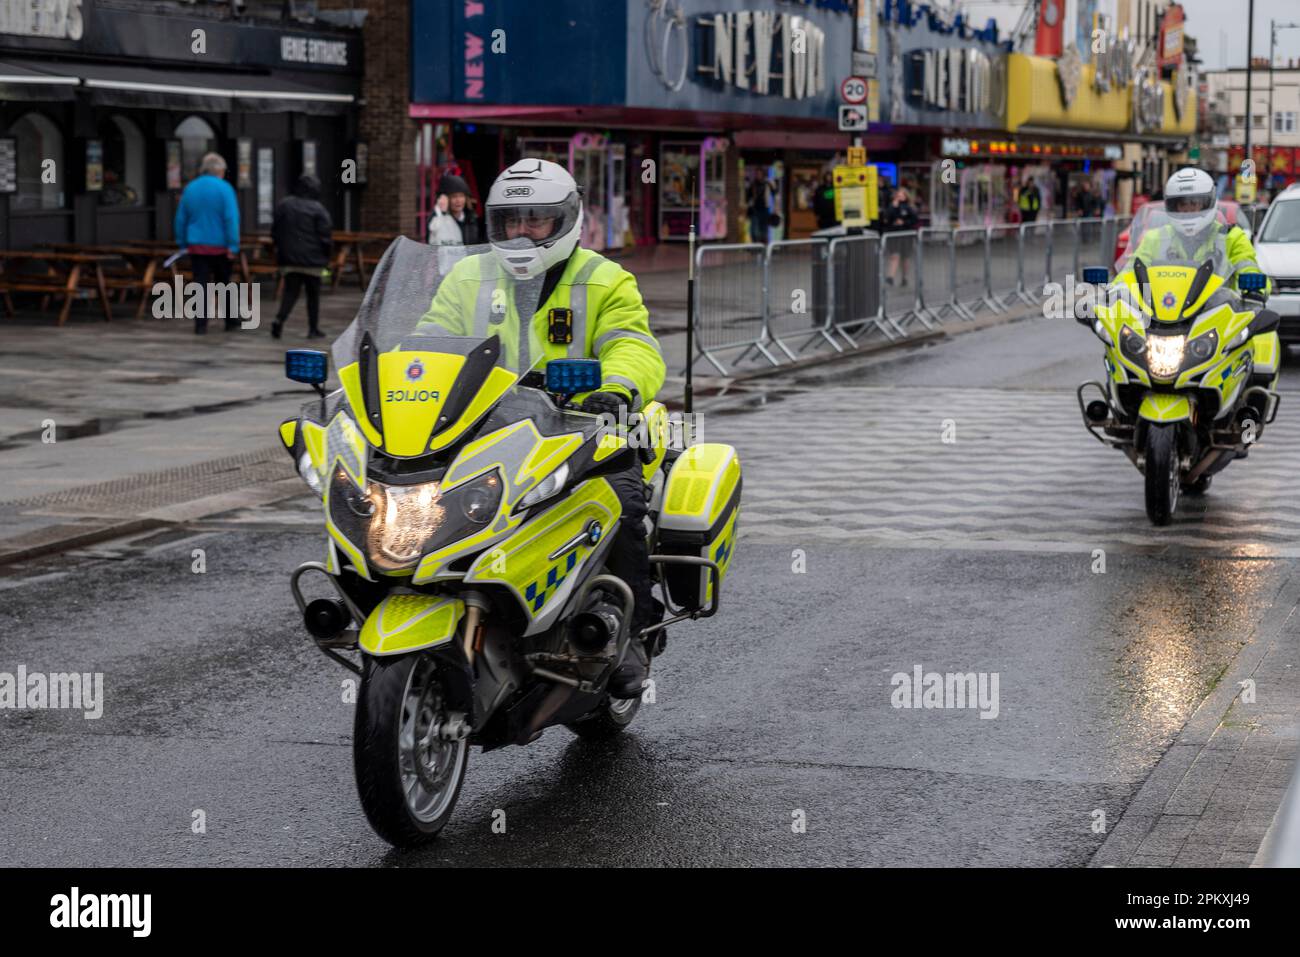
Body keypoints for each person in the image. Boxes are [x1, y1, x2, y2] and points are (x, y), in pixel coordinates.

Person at [418, 158, 665, 699]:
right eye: (511, 221)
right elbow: (429, 339)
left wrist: (618, 386)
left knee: (621, 499)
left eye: (537, 220)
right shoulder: (468, 275)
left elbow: (634, 343)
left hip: (581, 425)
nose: (522, 232)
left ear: (566, 219)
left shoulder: (603, 278)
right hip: (484, 424)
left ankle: (633, 637)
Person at [1132, 167, 1269, 297]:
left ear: (1208, 203)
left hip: (1218, 314)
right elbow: (1131, 270)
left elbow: (1249, 269)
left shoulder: (1231, 237)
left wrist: (1255, 290)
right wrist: (1116, 288)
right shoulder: (1155, 238)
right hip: (1164, 310)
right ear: (1172, 206)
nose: (1188, 209)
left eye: (1194, 203)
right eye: (1182, 204)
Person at [174, 152, 240, 334]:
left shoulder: (191, 188)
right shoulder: (225, 188)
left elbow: (181, 218)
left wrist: (182, 242)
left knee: (200, 284)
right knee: (224, 283)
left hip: (197, 245)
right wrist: (233, 245)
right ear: (219, 170)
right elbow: (231, 219)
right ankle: (230, 320)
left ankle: (200, 324)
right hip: (220, 246)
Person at [270, 174, 332, 340]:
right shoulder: (318, 209)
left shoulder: (284, 205)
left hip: (289, 259)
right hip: (313, 261)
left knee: (290, 292)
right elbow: (325, 237)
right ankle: (313, 328)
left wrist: (280, 250)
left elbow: (275, 231)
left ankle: (279, 319)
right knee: (313, 295)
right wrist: (327, 258)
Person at [428, 173, 483, 246]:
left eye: (461, 196)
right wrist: (440, 212)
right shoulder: (436, 219)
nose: (458, 200)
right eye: (454, 196)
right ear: (446, 199)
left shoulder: (472, 219)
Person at [883, 187, 918, 286]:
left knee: (905, 258)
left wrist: (904, 222)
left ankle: (904, 277)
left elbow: (914, 220)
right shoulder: (892, 206)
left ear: (906, 196)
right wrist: (893, 207)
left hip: (906, 235)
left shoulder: (910, 207)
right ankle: (891, 277)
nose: (899, 197)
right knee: (894, 256)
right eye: (898, 195)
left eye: (902, 195)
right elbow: (886, 219)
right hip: (895, 234)